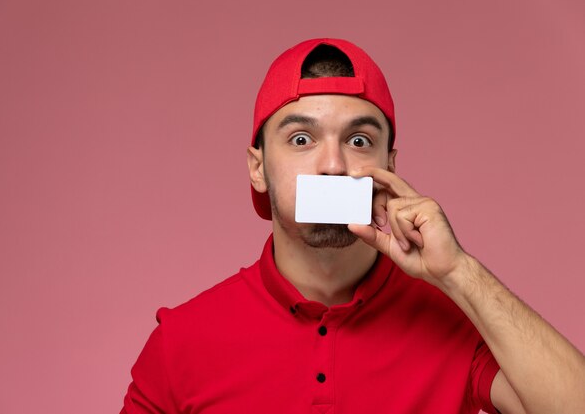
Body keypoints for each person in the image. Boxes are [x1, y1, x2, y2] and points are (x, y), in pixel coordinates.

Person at [120, 38, 585, 414]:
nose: (334, 164)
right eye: (301, 139)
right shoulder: (181, 341)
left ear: (390, 165)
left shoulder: (454, 321)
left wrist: (459, 273)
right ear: (258, 168)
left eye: (359, 140)